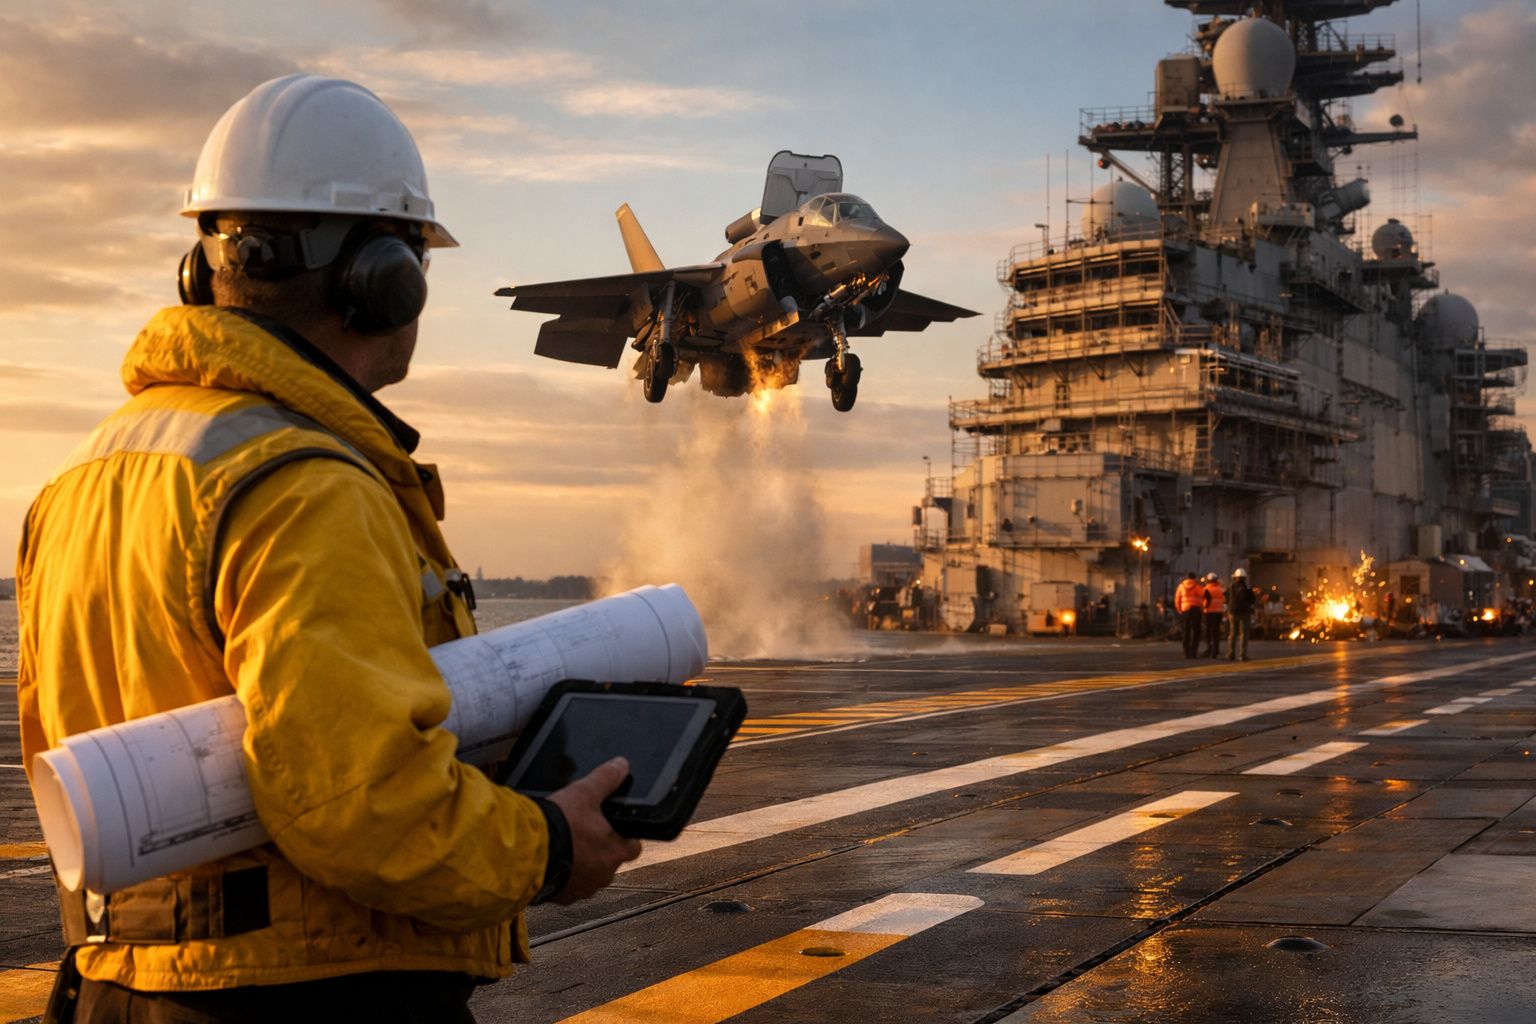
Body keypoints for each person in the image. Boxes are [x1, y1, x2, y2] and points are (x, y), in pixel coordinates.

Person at [18, 74, 639, 1022]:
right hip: (306, 993)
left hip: (120, 986)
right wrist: (550, 846)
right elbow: (363, 804)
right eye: (415, 263)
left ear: (201, 269)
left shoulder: (84, 475)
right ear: (381, 278)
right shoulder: (306, 485)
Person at [1227, 567, 1256, 661]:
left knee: (1232, 633)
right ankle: (1242, 655)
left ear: (1235, 577)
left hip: (1233, 612)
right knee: (1243, 634)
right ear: (1244, 578)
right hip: (1244, 612)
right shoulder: (1247, 588)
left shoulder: (1231, 587)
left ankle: (1231, 654)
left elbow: (1227, 598)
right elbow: (1252, 600)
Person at [1174, 572, 1204, 658]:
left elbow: (1177, 599)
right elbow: (1203, 596)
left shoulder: (1181, 586)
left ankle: (1186, 651)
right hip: (1196, 610)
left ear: (1187, 578)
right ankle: (1193, 652)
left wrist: (1180, 610)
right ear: (1194, 578)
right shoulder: (1198, 586)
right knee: (1196, 631)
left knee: (1186, 631)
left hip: (1185, 610)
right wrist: (1202, 608)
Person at [1202, 572, 1226, 658]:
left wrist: (1203, 608)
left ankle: (1209, 648)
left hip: (1209, 612)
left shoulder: (1206, 589)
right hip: (1219, 612)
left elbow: (1205, 602)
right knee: (1216, 632)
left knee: (1208, 631)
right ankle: (1215, 650)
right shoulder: (1221, 589)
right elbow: (1224, 600)